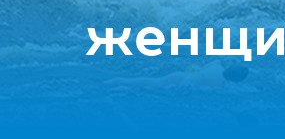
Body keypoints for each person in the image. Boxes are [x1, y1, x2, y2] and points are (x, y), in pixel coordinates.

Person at [106, 61, 248, 88]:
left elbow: (206, 66)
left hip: (180, 76)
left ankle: (118, 81)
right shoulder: (221, 85)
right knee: (152, 85)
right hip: (183, 85)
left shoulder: (217, 67)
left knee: (152, 82)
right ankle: (119, 83)